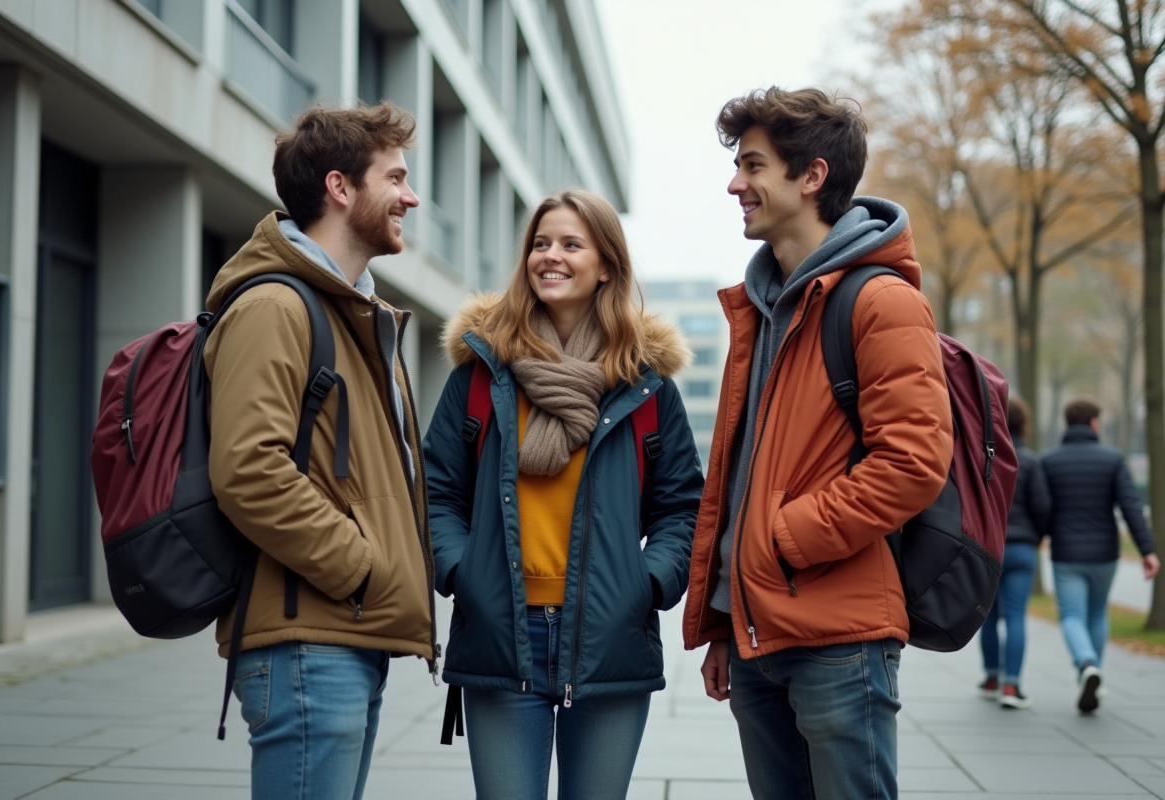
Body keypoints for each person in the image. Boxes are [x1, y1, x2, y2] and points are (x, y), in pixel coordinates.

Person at [681, 87, 953, 800]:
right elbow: (744, 473)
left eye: (753, 165)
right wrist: (722, 614)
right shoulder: (763, 307)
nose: (735, 183)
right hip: (757, 640)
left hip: (839, 640)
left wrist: (785, 540)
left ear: (812, 176)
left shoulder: (880, 300)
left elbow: (913, 463)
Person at [423, 189, 704, 800]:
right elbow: (435, 491)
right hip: (501, 633)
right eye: (540, 244)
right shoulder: (481, 373)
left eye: (571, 244)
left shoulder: (646, 385)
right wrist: (461, 570)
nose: (550, 256)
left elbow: (683, 507)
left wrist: (646, 581)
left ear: (606, 264)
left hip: (609, 637)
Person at [204, 102, 436, 800]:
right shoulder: (276, 307)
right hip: (311, 637)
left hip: (341, 634)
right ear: (341, 187)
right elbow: (248, 470)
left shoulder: (352, 310)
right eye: (395, 177)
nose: (411, 196)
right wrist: (361, 570)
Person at [1041, 397, 1160, 713]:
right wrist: (1147, 549)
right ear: (1094, 423)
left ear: (1068, 423)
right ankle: (1095, 674)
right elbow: (1130, 506)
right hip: (1105, 552)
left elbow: (1042, 507)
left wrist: (1042, 535)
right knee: (1097, 613)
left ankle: (1086, 664)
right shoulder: (1112, 459)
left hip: (1066, 551)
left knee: (1071, 615)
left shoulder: (1050, 460)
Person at [979, 396, 1051, 709]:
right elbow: (1043, 506)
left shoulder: (982, 457)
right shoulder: (1031, 461)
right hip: (1021, 548)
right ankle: (1011, 686)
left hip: (988, 548)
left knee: (988, 617)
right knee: (1017, 616)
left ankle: (991, 677)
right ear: (1025, 425)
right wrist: (1037, 536)